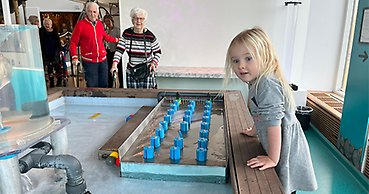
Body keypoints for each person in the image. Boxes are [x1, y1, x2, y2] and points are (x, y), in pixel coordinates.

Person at [224, 27, 318, 194]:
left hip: (285, 143)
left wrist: (272, 159)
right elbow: (260, 112)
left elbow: (274, 124)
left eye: (248, 58)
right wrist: (254, 130)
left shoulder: (267, 84)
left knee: (284, 185)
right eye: (236, 61)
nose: (241, 66)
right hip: (277, 140)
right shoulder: (255, 81)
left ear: (264, 56)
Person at [70, 2, 119, 88]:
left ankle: (104, 101)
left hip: (103, 60)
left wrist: (117, 40)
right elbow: (73, 42)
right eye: (90, 11)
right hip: (89, 61)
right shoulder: (80, 25)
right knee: (93, 86)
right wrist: (74, 57)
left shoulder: (100, 24)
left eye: (94, 12)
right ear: (86, 12)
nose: (92, 14)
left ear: (97, 12)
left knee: (104, 85)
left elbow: (105, 36)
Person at [111, 7, 161, 89]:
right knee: (133, 96)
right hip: (131, 72)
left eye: (141, 19)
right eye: (136, 18)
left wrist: (154, 63)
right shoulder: (126, 34)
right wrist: (114, 64)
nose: (138, 21)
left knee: (146, 96)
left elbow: (158, 52)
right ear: (132, 20)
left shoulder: (150, 36)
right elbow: (119, 51)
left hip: (146, 72)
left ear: (144, 20)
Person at [39, 18, 64, 87]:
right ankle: (51, 81)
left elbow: (58, 41)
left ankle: (59, 80)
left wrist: (60, 49)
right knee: (49, 68)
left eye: (49, 24)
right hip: (46, 52)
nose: (47, 25)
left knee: (57, 67)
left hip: (54, 52)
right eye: (46, 24)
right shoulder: (41, 31)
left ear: (51, 24)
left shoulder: (54, 31)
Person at [103, 14, 122, 88]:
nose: (108, 23)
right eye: (106, 22)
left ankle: (121, 85)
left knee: (119, 70)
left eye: (109, 21)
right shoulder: (105, 31)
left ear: (112, 21)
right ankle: (110, 85)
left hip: (116, 52)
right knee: (108, 70)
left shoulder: (117, 30)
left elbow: (120, 42)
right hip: (108, 53)